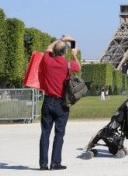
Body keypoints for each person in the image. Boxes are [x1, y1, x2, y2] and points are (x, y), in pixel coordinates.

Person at [38, 35, 80, 170]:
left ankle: (43, 164)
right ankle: (55, 162)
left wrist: (61, 39)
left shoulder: (47, 60)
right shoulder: (69, 64)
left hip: (47, 101)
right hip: (62, 103)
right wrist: (74, 55)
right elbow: (78, 67)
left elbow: (48, 48)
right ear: (65, 52)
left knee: (45, 133)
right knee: (59, 134)